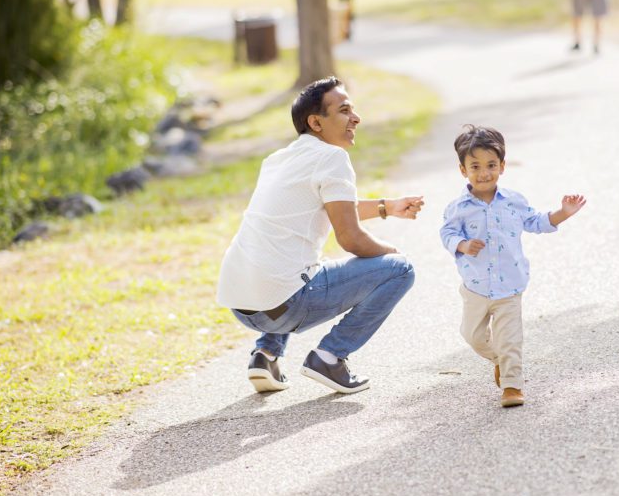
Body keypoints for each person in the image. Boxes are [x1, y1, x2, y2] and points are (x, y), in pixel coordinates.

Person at [216, 77, 423, 394]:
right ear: (315, 122)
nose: (356, 118)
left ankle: (265, 355)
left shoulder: (279, 160)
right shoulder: (332, 157)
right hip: (284, 306)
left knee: (293, 263)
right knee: (400, 270)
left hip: (241, 303)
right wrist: (391, 257)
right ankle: (329, 356)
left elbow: (332, 206)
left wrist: (388, 207)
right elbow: (351, 238)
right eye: (344, 110)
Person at [440, 126, 586, 407]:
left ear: (502, 166)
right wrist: (462, 244)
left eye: (491, 165)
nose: (484, 173)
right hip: (475, 286)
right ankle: (499, 359)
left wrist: (563, 214)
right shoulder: (458, 207)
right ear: (463, 170)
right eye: (475, 166)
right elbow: (446, 233)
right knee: (471, 336)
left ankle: (512, 385)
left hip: (509, 286)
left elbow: (537, 221)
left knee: (510, 340)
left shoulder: (513, 202)